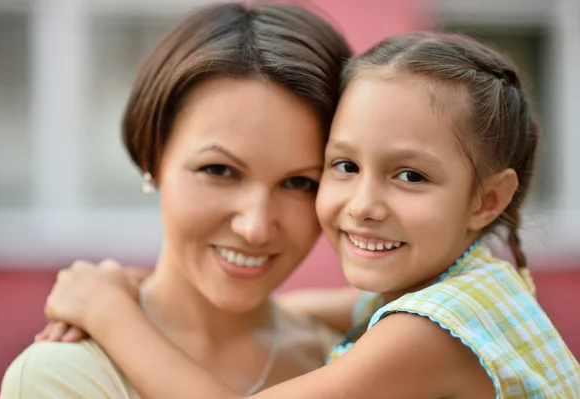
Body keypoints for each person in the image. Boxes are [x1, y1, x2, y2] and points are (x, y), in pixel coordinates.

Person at [36, 31, 580, 399]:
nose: (363, 205)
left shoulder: (434, 330)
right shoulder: (471, 281)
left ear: (486, 200)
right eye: (343, 165)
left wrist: (110, 311)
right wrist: (155, 296)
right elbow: (321, 309)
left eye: (410, 176)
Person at [0, 3, 353, 398]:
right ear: (152, 155)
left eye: (301, 182)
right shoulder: (66, 376)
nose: (255, 227)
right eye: (219, 170)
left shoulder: (354, 358)